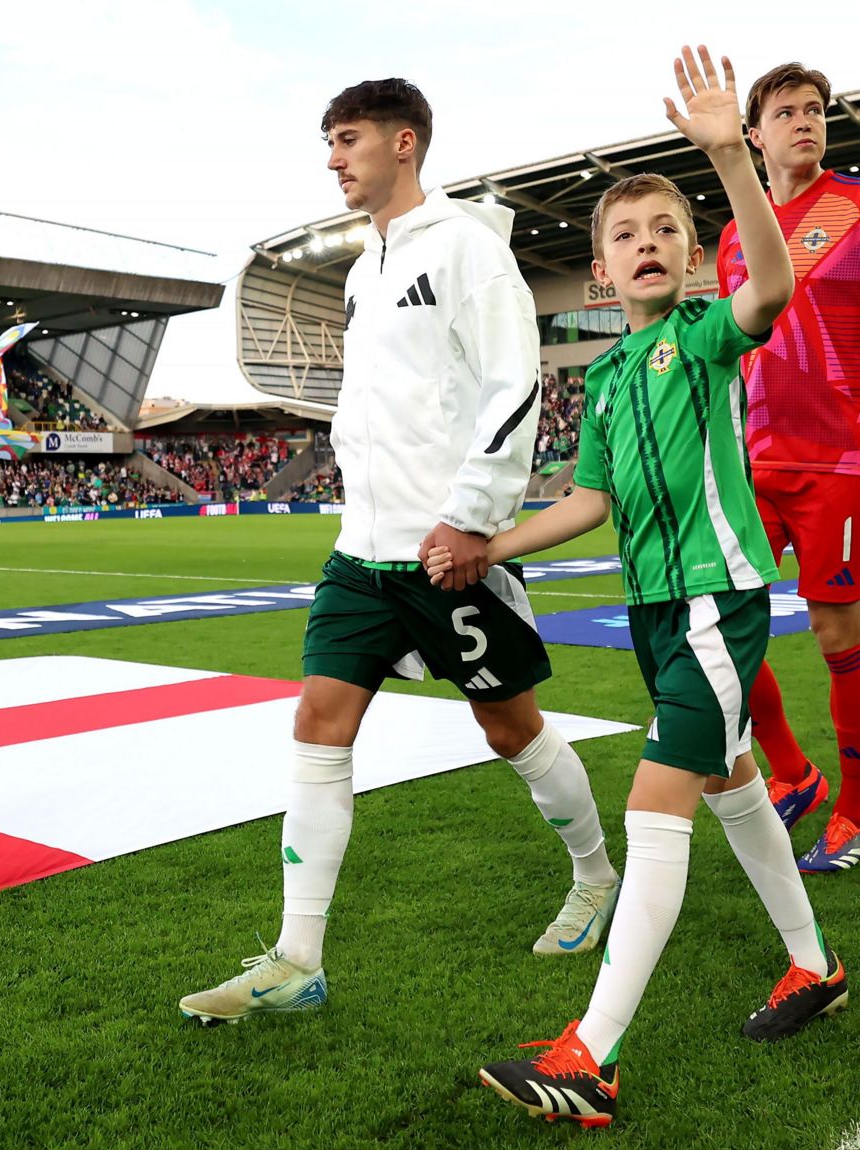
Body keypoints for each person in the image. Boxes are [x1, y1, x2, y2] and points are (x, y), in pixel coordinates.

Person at [178, 76, 618, 1027]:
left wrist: (471, 519)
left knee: (511, 729)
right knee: (318, 722)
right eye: (330, 143)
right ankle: (298, 958)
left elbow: (514, 385)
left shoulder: (467, 248)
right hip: (361, 554)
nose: (333, 159)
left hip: (444, 551)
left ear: (404, 141)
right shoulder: (361, 270)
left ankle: (595, 876)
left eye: (347, 139)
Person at [470, 50, 836, 1128]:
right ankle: (813, 965)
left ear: (690, 254)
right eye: (626, 235)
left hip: (717, 604)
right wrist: (492, 547)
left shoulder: (703, 338)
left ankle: (592, 1055)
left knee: (656, 804)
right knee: (732, 783)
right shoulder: (604, 376)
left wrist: (728, 158)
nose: (646, 244)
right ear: (599, 270)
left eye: (665, 231)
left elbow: (772, 286)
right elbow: (589, 500)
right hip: (655, 615)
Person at [716, 60, 860, 871]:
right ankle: (793, 772)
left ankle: (854, 814)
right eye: (786, 112)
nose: (805, 121)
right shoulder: (736, 232)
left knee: (835, 631)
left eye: (815, 109)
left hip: (848, 461)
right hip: (753, 462)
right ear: (754, 134)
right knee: (717, 624)